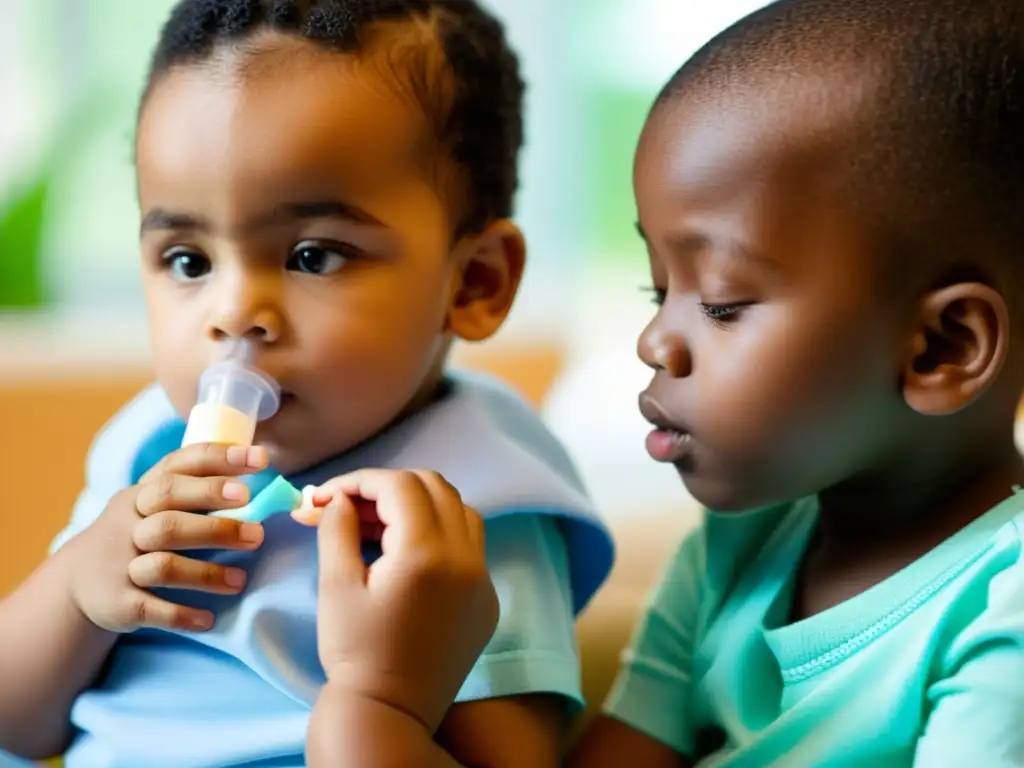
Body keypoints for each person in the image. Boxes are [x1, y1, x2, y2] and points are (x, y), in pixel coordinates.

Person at [310, 0, 1024, 765]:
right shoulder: (736, 552)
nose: (655, 339)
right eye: (659, 292)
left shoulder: (1000, 616)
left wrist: (372, 711)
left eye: (720, 302)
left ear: (941, 348)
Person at [0, 1, 613, 766]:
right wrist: (77, 588)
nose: (233, 314)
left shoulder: (475, 506)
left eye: (313, 255)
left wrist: (381, 695)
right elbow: (19, 726)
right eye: (189, 261)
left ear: (475, 282)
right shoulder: (147, 449)